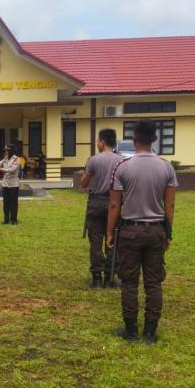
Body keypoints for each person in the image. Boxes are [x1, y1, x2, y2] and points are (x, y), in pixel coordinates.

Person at [106, 120, 178, 344]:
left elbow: (115, 205)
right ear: (154, 140)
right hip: (156, 230)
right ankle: (150, 331)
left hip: (130, 231)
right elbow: (170, 205)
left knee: (129, 282)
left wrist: (109, 232)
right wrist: (168, 233)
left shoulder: (123, 167)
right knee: (153, 283)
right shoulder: (167, 167)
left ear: (134, 139)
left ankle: (131, 330)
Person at [80, 129, 123, 289]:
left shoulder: (93, 160)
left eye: (98, 141)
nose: (97, 144)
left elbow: (84, 183)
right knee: (112, 241)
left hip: (96, 203)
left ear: (102, 142)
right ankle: (109, 277)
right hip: (115, 204)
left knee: (95, 242)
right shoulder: (121, 161)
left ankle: (96, 278)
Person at [0, 145, 20, 225]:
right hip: (5, 184)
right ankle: (6, 219)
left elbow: (12, 170)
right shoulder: (5, 158)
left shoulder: (16, 159)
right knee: (6, 203)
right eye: (5, 150)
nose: (6, 152)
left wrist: (0, 169)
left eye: (7, 150)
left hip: (13, 184)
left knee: (13, 203)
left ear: (11, 151)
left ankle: (14, 219)